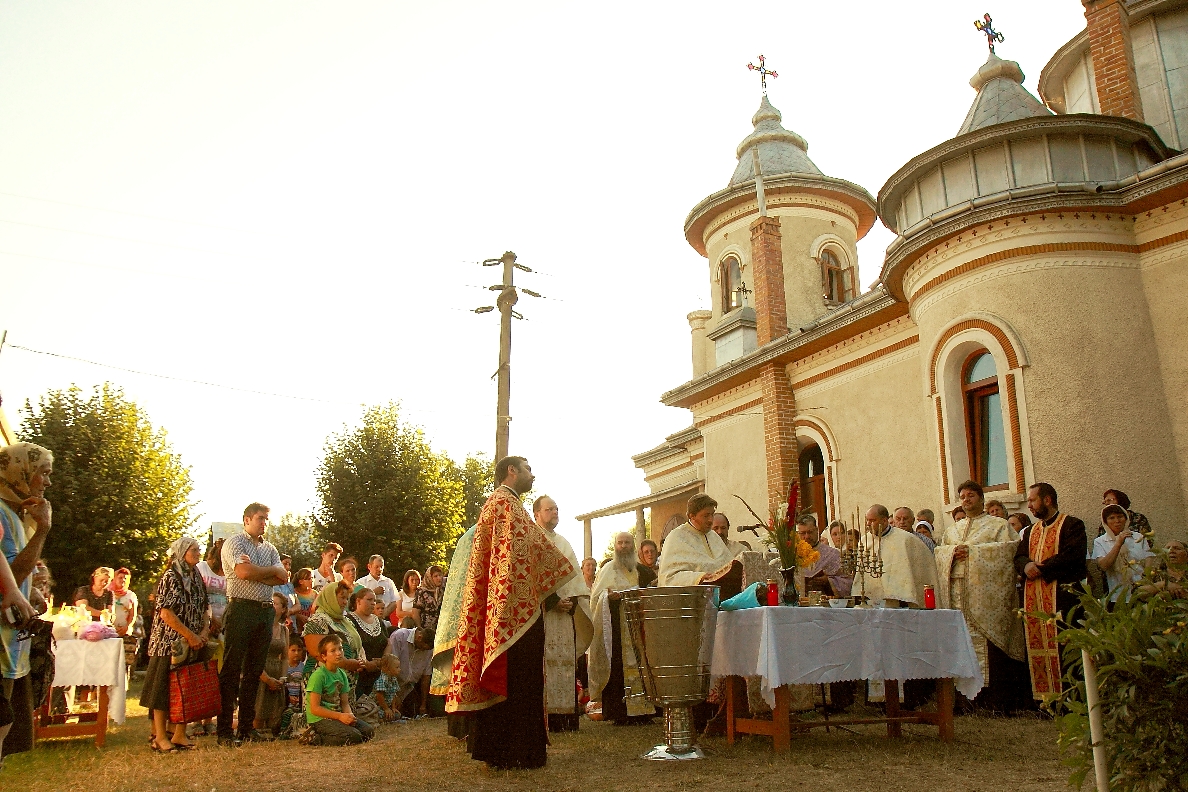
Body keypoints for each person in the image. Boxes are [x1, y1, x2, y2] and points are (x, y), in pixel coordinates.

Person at [445, 456, 575, 770]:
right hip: (512, 613)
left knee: (519, 678)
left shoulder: (502, 504)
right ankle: (515, 751)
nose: (533, 474)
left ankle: (505, 750)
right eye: (528, 469)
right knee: (519, 678)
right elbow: (523, 554)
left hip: (507, 608)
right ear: (512, 471)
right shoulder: (506, 505)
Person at [933, 480, 1029, 710]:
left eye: (970, 496)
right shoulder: (953, 529)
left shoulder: (998, 526)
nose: (966, 500)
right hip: (957, 598)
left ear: (981, 499)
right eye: (963, 496)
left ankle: (993, 702)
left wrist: (973, 553)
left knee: (989, 649)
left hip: (986, 601)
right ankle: (965, 702)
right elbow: (939, 552)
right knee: (961, 645)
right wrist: (950, 554)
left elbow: (1009, 551)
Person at [217, 502, 289, 746]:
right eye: (260, 518)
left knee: (254, 671)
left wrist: (257, 570)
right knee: (231, 670)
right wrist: (267, 572)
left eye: (267, 519)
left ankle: (246, 729)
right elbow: (243, 573)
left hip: (264, 611)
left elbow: (283, 577)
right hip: (240, 609)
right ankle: (224, 730)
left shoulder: (269, 548)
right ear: (246, 519)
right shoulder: (234, 543)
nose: (264, 523)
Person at [0, 443, 53, 767]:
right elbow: (12, 574)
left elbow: (19, 575)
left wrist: (31, 591)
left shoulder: (17, 517)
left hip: (12, 648)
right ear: (21, 472)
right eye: (43, 473)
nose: (46, 482)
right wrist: (43, 531)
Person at [1014, 483, 1087, 702]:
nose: (1029, 505)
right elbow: (1018, 557)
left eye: (1032, 500)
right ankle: (1043, 700)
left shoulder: (1072, 525)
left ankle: (1070, 700)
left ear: (1047, 500)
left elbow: (1073, 556)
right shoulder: (1030, 531)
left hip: (1063, 599)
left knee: (1065, 648)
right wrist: (1026, 566)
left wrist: (1041, 568)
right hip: (1034, 599)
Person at [140, 536, 211, 753]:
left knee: (187, 688)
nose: (198, 553)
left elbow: (204, 606)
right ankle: (160, 736)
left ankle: (180, 734)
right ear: (182, 552)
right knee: (162, 690)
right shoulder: (171, 577)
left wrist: (203, 631)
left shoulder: (196, 575)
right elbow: (166, 613)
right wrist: (189, 635)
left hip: (193, 641)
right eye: (194, 550)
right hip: (168, 642)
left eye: (199, 549)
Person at [533, 495, 593, 732]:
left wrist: (572, 600)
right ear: (537, 513)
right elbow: (532, 577)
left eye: (556, 509)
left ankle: (566, 717)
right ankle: (545, 716)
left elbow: (574, 578)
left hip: (565, 614)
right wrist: (552, 601)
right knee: (544, 663)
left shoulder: (564, 543)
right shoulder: (533, 540)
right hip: (543, 615)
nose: (554, 512)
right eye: (549, 509)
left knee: (567, 663)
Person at [587, 532, 653, 725]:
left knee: (643, 667)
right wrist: (609, 597)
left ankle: (644, 712)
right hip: (616, 628)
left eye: (627, 543)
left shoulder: (642, 570)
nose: (623, 546)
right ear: (615, 546)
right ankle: (620, 712)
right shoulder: (608, 569)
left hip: (639, 627)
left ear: (634, 546)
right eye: (620, 543)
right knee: (618, 669)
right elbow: (596, 597)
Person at [429, 525, 476, 739]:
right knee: (464, 670)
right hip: (470, 615)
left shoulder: (468, 537)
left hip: (463, 614)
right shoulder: (478, 534)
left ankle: (462, 727)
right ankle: (462, 727)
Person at [657, 494, 743, 598]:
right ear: (692, 516)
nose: (711, 520)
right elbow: (669, 578)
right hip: (693, 601)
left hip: (723, 596)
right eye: (706, 516)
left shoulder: (714, 536)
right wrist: (699, 577)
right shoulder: (676, 537)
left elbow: (728, 565)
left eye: (712, 514)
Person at [850, 504, 938, 607]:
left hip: (901, 601)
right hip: (871, 600)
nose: (868, 524)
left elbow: (922, 569)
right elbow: (862, 571)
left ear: (884, 520)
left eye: (872, 520)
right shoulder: (865, 540)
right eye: (867, 520)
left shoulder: (906, 539)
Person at [305, 634, 374, 746]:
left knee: (368, 732)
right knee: (353, 736)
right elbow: (315, 709)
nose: (338, 653)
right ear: (324, 656)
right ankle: (314, 737)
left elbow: (344, 703)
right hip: (320, 719)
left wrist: (349, 716)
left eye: (340, 649)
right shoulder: (318, 676)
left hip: (336, 716)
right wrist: (340, 716)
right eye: (333, 651)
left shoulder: (341, 674)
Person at [302, 582, 370, 692]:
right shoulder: (317, 620)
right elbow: (317, 652)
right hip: (323, 685)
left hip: (346, 684)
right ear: (330, 597)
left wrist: (361, 662)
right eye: (342, 597)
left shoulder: (346, 621)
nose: (345, 602)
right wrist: (348, 664)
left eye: (347, 599)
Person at [1091, 504, 1154, 602]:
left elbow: (1149, 560)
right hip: (1118, 596)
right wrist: (1118, 544)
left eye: (1120, 517)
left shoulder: (1138, 537)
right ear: (1106, 522)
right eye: (1111, 518)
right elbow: (1103, 566)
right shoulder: (1100, 541)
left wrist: (1146, 581)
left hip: (1142, 593)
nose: (1117, 521)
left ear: (1126, 518)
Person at [253, 592, 291, 737]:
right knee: (258, 711)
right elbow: (253, 657)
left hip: (277, 673)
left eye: (275, 603)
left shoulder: (284, 630)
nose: (272, 606)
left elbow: (285, 657)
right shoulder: (260, 627)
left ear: (282, 609)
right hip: (261, 671)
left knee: (273, 716)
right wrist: (266, 679)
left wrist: (283, 677)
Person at [345, 588, 388, 696]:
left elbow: (388, 642)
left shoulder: (379, 621)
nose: (373, 603)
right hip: (358, 676)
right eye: (369, 600)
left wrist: (384, 660)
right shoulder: (349, 620)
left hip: (378, 677)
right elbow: (351, 645)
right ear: (358, 601)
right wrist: (367, 664)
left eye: (374, 600)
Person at [796, 515, 851, 596]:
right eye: (803, 533)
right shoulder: (793, 556)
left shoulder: (833, 554)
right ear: (798, 534)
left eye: (810, 532)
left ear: (817, 530)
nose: (807, 536)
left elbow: (847, 582)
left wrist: (828, 581)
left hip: (826, 604)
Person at [388, 625, 434, 717]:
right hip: (391, 687)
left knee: (413, 712)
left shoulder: (429, 649)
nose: (424, 651)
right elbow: (390, 668)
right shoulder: (399, 636)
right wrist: (394, 696)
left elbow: (426, 676)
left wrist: (423, 704)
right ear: (419, 637)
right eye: (423, 647)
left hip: (409, 688)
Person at [109, 567, 140, 676]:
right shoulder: (108, 592)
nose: (122, 580)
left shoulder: (131, 595)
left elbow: (133, 613)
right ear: (114, 578)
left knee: (123, 662)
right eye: (120, 577)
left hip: (124, 632)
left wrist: (128, 627)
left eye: (125, 579)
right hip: (108, 631)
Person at [197, 540, 228, 640]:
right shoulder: (202, 567)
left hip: (224, 624)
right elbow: (198, 595)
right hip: (203, 620)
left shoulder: (231, 571)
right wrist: (212, 619)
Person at [371, 653, 404, 722]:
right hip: (377, 706)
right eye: (397, 667)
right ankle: (378, 719)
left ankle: (387, 718)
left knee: (396, 714)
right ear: (387, 668)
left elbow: (393, 694)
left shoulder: (393, 679)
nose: (399, 669)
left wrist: (393, 707)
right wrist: (386, 709)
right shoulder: (382, 680)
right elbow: (379, 695)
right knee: (380, 714)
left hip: (386, 706)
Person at [411, 564, 444, 633]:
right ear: (430, 578)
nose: (439, 578)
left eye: (440, 575)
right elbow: (415, 613)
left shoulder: (443, 591)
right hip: (426, 630)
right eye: (435, 576)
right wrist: (420, 629)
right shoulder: (422, 592)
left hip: (441, 629)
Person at [292, 568, 316, 633]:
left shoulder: (315, 594)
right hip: (296, 627)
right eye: (309, 579)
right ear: (301, 581)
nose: (312, 580)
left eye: (313, 578)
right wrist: (299, 616)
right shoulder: (293, 593)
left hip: (310, 628)